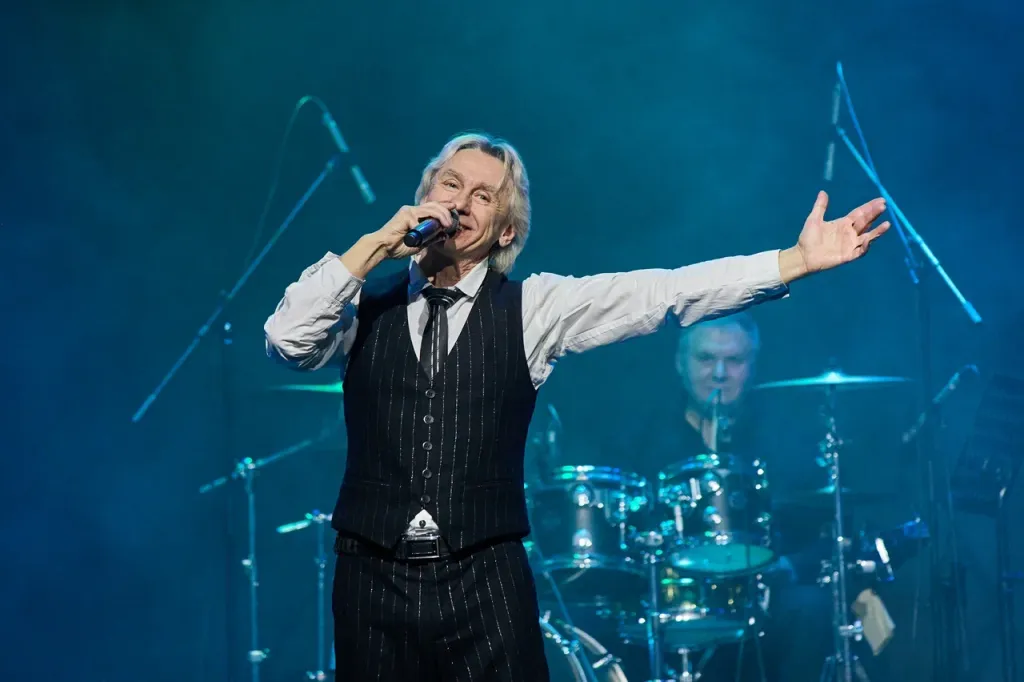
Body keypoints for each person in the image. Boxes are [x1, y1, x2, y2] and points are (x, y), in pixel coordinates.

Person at [262, 131, 890, 682]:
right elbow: (286, 340)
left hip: (483, 580)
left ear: (507, 230)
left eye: (483, 196)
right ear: (424, 195)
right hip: (372, 579)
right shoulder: (358, 305)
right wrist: (374, 246)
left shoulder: (534, 308)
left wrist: (795, 261)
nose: (460, 203)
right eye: (450, 184)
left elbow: (666, 294)